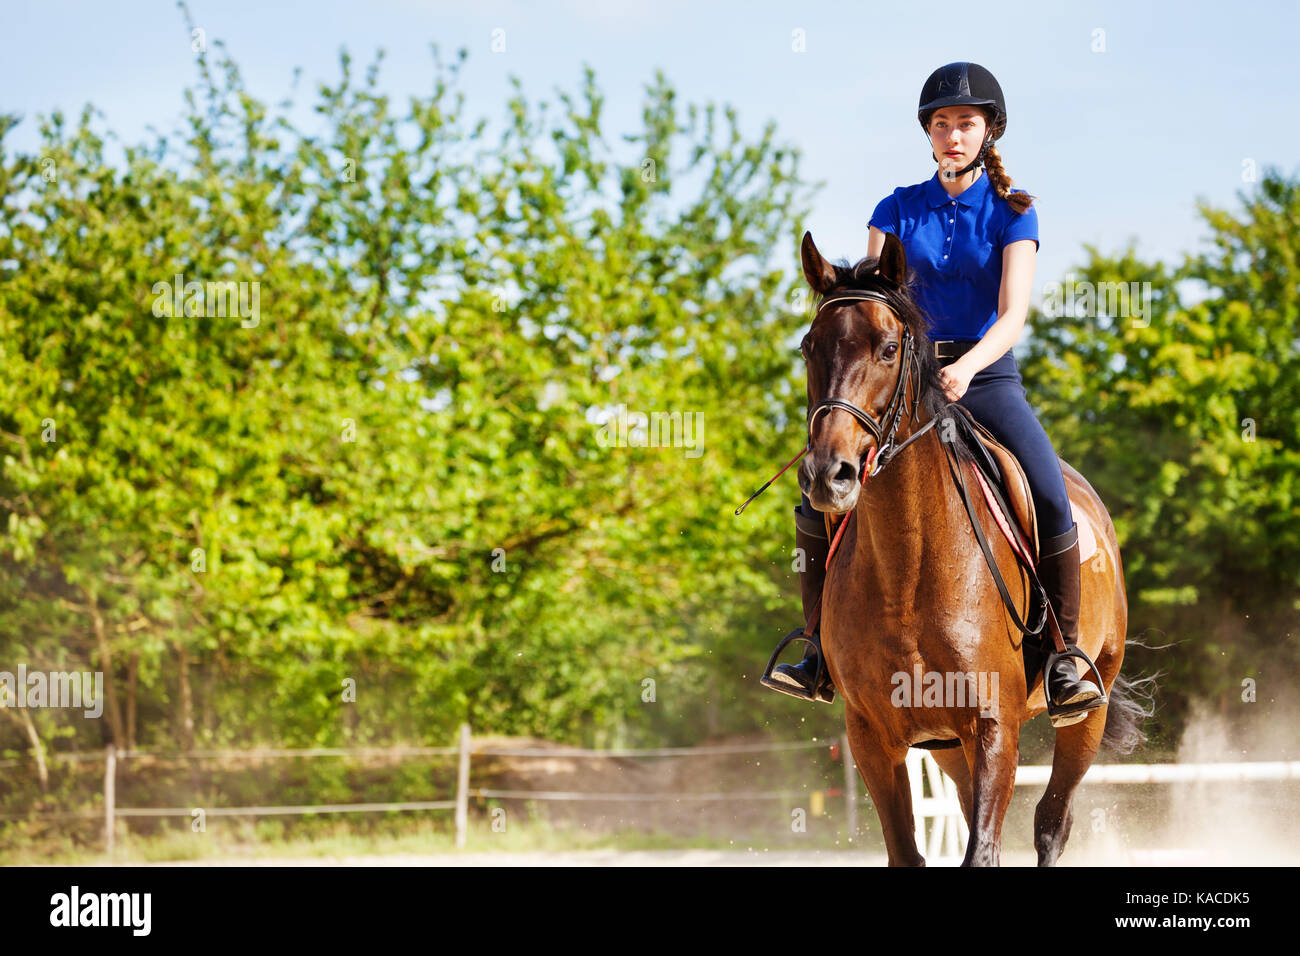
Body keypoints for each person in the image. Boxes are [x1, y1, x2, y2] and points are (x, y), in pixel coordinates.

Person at [763, 62, 1102, 723]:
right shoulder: (895, 208)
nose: (953, 135)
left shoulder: (1014, 212)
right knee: (817, 494)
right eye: (941, 124)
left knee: (1051, 496)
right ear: (928, 134)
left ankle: (1064, 658)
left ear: (988, 132)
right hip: (899, 385)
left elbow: (1012, 317)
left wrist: (967, 366)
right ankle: (816, 652)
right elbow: (872, 304)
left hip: (986, 381)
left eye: (965, 124)